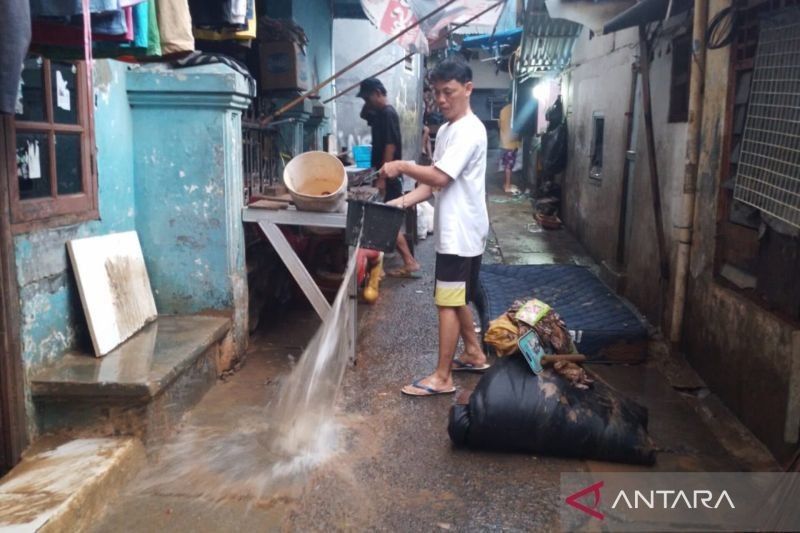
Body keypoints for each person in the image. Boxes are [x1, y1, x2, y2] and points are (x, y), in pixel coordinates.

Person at [379, 59, 489, 396]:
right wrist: (394, 206)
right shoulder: (446, 130)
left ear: (468, 89)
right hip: (456, 231)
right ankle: (473, 352)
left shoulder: (470, 130)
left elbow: (439, 176)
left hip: (461, 232)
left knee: (447, 300)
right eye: (436, 93)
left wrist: (402, 165)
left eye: (448, 92)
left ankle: (443, 377)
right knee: (455, 297)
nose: (441, 100)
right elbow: (431, 188)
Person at [357, 78, 420, 278]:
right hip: (384, 173)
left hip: (389, 176)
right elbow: (363, 115)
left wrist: (383, 176)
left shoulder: (388, 114)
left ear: (377, 92)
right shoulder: (379, 115)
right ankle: (388, 265)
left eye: (367, 98)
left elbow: (390, 145)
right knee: (383, 218)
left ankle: (407, 262)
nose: (366, 102)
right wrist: (368, 106)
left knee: (385, 218)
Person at [498, 94, 520, 194]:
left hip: (505, 142)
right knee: (509, 166)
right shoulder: (516, 110)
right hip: (512, 143)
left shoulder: (503, 110)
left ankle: (507, 184)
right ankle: (507, 186)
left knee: (507, 164)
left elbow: (500, 124)